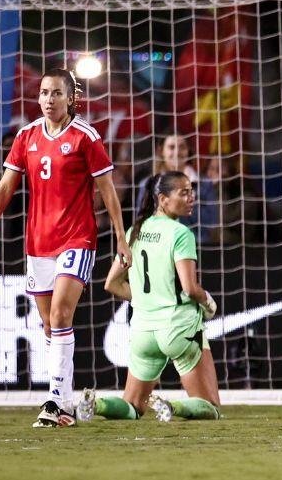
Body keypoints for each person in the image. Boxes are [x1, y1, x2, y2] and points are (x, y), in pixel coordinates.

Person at [0, 68, 130, 428]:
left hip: (77, 238)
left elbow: (108, 191)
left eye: (56, 93)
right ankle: (66, 400)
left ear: (70, 98)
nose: (48, 99)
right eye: (44, 93)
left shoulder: (85, 137)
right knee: (48, 324)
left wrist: (121, 237)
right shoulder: (26, 136)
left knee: (61, 315)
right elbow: (4, 188)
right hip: (38, 243)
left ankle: (56, 401)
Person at [76, 171, 221, 423]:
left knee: (131, 406)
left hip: (143, 330)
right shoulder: (180, 233)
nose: (192, 197)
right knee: (211, 408)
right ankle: (171, 406)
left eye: (191, 191)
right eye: (184, 192)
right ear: (162, 199)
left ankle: (94, 403)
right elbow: (189, 288)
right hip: (179, 327)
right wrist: (208, 301)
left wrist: (147, 299)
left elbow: (111, 283)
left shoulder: (135, 230)